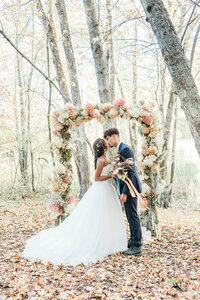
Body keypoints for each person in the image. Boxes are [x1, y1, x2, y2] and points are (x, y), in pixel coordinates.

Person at [21, 138, 127, 266]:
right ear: (104, 148)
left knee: (108, 215)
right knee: (100, 215)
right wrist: (112, 175)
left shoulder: (106, 158)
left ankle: (109, 241)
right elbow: (97, 178)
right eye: (106, 143)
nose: (107, 143)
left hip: (108, 188)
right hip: (102, 188)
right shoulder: (101, 160)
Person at [104, 128, 142, 256]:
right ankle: (133, 241)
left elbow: (130, 172)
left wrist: (125, 192)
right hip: (127, 187)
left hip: (130, 187)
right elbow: (122, 171)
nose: (108, 142)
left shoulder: (125, 149)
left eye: (108, 138)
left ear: (114, 136)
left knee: (133, 216)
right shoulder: (120, 149)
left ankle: (136, 246)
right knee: (130, 215)